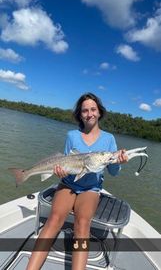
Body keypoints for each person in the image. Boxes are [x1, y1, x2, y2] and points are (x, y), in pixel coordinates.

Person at [26, 92, 128, 270]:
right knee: (54, 220)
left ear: (99, 112)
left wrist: (117, 162)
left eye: (93, 109)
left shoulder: (109, 139)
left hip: (91, 188)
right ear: (80, 114)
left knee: (82, 225)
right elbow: (66, 163)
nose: (90, 114)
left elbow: (113, 172)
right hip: (68, 184)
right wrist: (59, 172)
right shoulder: (72, 136)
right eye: (85, 110)